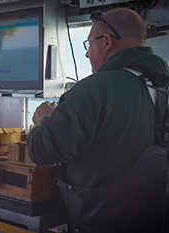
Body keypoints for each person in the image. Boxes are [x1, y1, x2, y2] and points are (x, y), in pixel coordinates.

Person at [27, 8, 169, 233]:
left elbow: (41, 150)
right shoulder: (163, 85)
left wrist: (44, 121)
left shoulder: (94, 88)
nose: (86, 54)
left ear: (106, 42)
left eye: (88, 44)